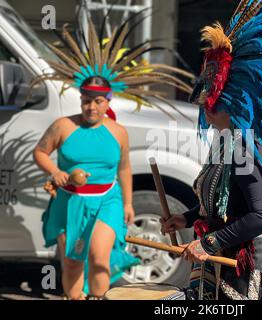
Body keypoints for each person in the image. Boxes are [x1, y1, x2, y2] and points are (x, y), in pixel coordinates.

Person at [160, 0, 262, 300]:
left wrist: (208, 244)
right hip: (227, 262)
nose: (204, 112)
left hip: (252, 269)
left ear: (233, 105)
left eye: (211, 104)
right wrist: (185, 218)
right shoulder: (227, 141)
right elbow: (225, 202)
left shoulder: (246, 149)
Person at [31, 15, 193, 299]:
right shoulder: (62, 126)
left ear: (107, 101)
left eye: (97, 101)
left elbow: (125, 168)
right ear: (80, 99)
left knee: (99, 258)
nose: (91, 107)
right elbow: (40, 152)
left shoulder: (118, 132)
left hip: (107, 199)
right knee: (71, 261)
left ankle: (98, 298)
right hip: (69, 201)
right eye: (86, 100)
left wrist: (129, 202)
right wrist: (53, 172)